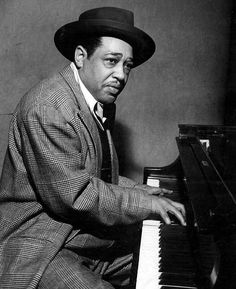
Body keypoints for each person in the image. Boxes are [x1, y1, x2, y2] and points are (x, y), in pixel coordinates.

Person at [0, 6, 185, 289]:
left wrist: (140, 190)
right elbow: (77, 195)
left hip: (79, 233)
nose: (121, 75)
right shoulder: (48, 107)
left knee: (169, 260)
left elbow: (92, 176)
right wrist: (145, 203)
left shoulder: (96, 102)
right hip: (40, 242)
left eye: (127, 65)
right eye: (111, 61)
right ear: (80, 56)